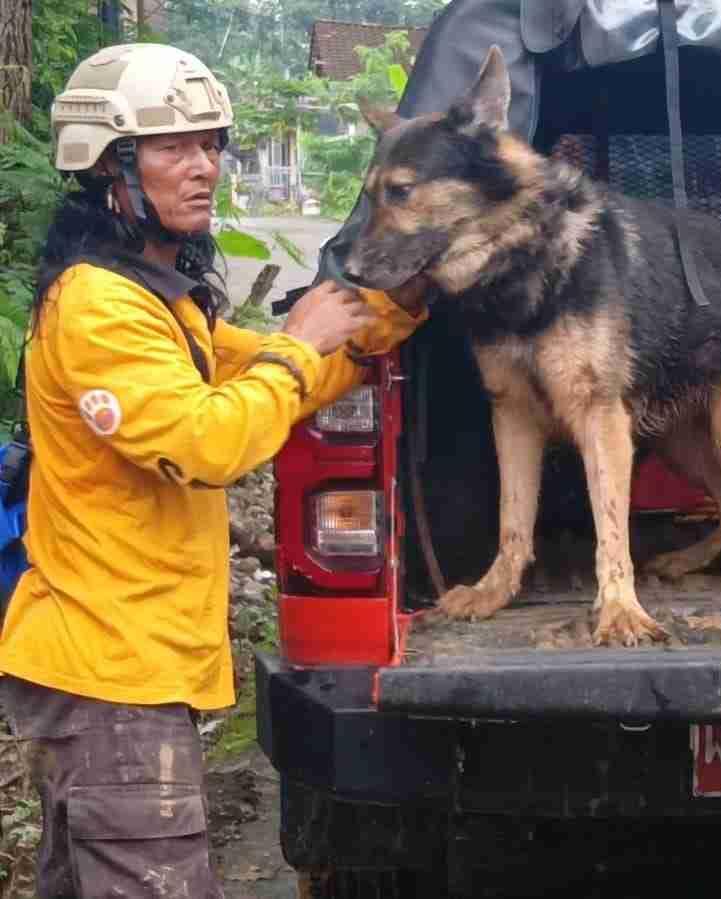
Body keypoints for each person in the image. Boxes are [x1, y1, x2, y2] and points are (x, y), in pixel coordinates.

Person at [0, 43, 428, 898]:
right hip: (110, 676)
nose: (204, 168)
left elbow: (275, 367)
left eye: (212, 144)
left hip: (115, 675)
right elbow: (210, 441)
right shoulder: (99, 308)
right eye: (172, 147)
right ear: (110, 163)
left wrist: (400, 305)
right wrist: (301, 345)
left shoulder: (155, 298)